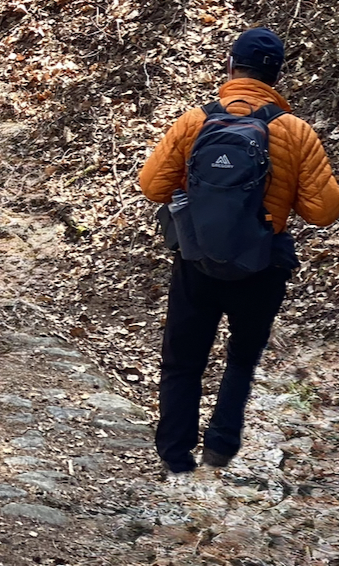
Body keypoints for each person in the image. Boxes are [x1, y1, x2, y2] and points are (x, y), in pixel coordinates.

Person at [139, 26, 339, 476]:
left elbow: (152, 186)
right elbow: (323, 211)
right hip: (261, 264)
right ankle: (220, 447)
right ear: (275, 76)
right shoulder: (295, 132)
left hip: (197, 259)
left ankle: (175, 459)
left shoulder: (195, 122)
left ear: (231, 66)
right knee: (243, 358)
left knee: (182, 361)